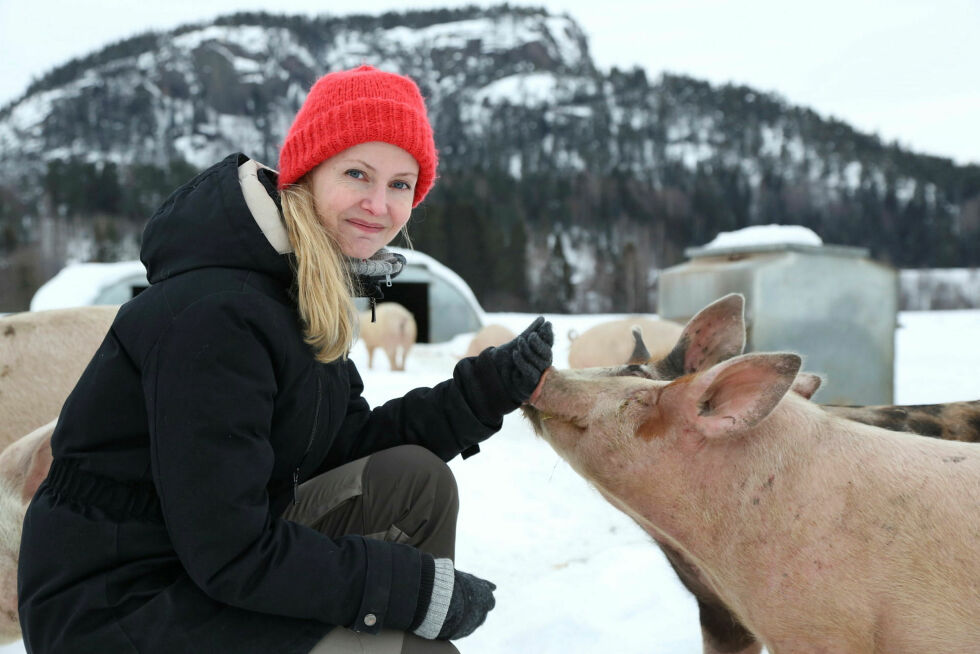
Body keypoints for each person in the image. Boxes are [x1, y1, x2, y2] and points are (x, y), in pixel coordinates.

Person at [18, 65, 554, 654]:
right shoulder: (221, 315)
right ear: (306, 172)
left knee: (414, 481)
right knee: (416, 650)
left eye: (401, 184)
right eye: (357, 174)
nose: (379, 205)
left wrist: (479, 395)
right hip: (119, 606)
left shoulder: (299, 291)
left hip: (198, 560)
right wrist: (408, 590)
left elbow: (343, 448)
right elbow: (231, 551)